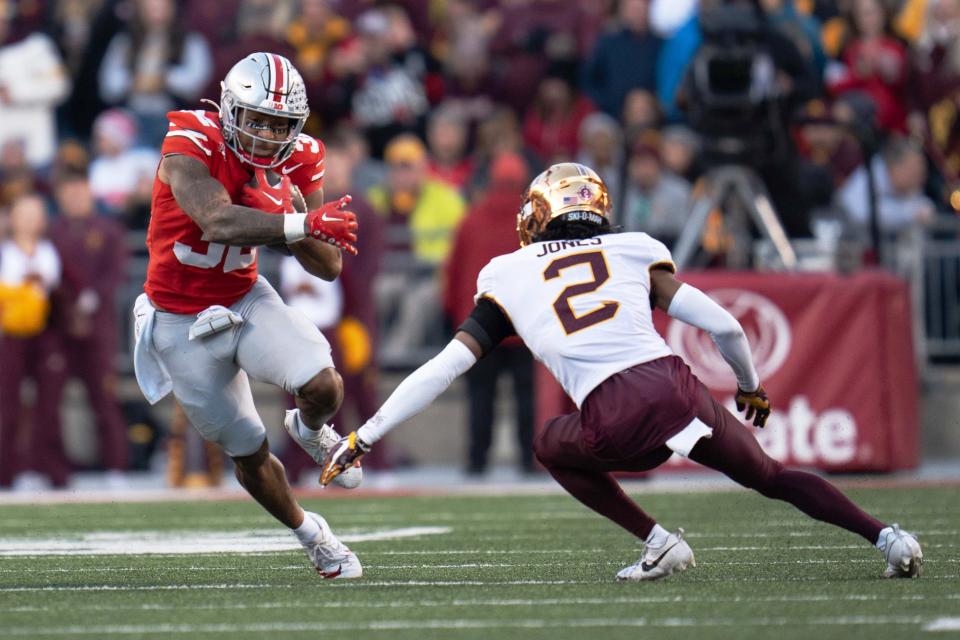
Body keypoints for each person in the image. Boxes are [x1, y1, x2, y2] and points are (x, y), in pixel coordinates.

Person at [320, 162, 924, 581]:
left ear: (537, 216)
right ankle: (889, 539)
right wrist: (750, 387)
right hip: (679, 389)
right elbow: (729, 330)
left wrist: (363, 435)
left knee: (547, 444)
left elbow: (442, 369)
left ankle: (659, 542)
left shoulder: (507, 273)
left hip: (614, 415)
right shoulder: (633, 248)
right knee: (770, 473)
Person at [132, 52, 362, 578]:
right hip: (178, 320)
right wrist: (292, 219)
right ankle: (313, 535)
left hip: (243, 297)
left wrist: (302, 219)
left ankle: (308, 429)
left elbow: (326, 264)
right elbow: (215, 220)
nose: (264, 134)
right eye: (255, 119)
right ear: (231, 109)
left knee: (324, 386)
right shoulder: (190, 139)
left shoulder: (301, 156)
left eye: (278, 123)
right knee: (247, 449)